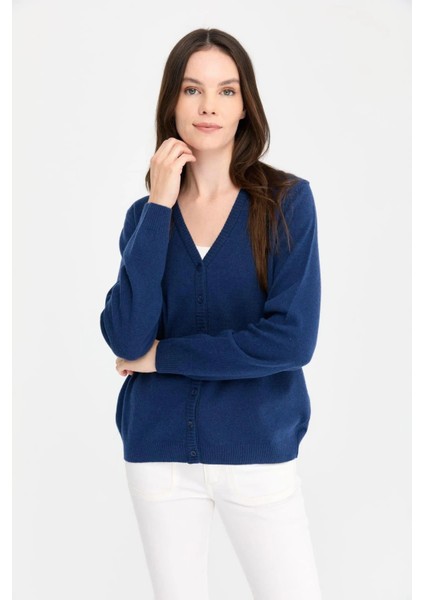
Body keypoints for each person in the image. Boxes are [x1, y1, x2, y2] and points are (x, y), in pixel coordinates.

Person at [100, 27, 322, 600]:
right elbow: (126, 336)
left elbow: (291, 340)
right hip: (159, 453)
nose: (208, 106)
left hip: (257, 449)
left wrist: (163, 357)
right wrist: (160, 202)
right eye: (192, 89)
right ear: (172, 102)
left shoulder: (285, 202)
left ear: (245, 105)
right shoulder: (146, 216)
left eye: (226, 91)